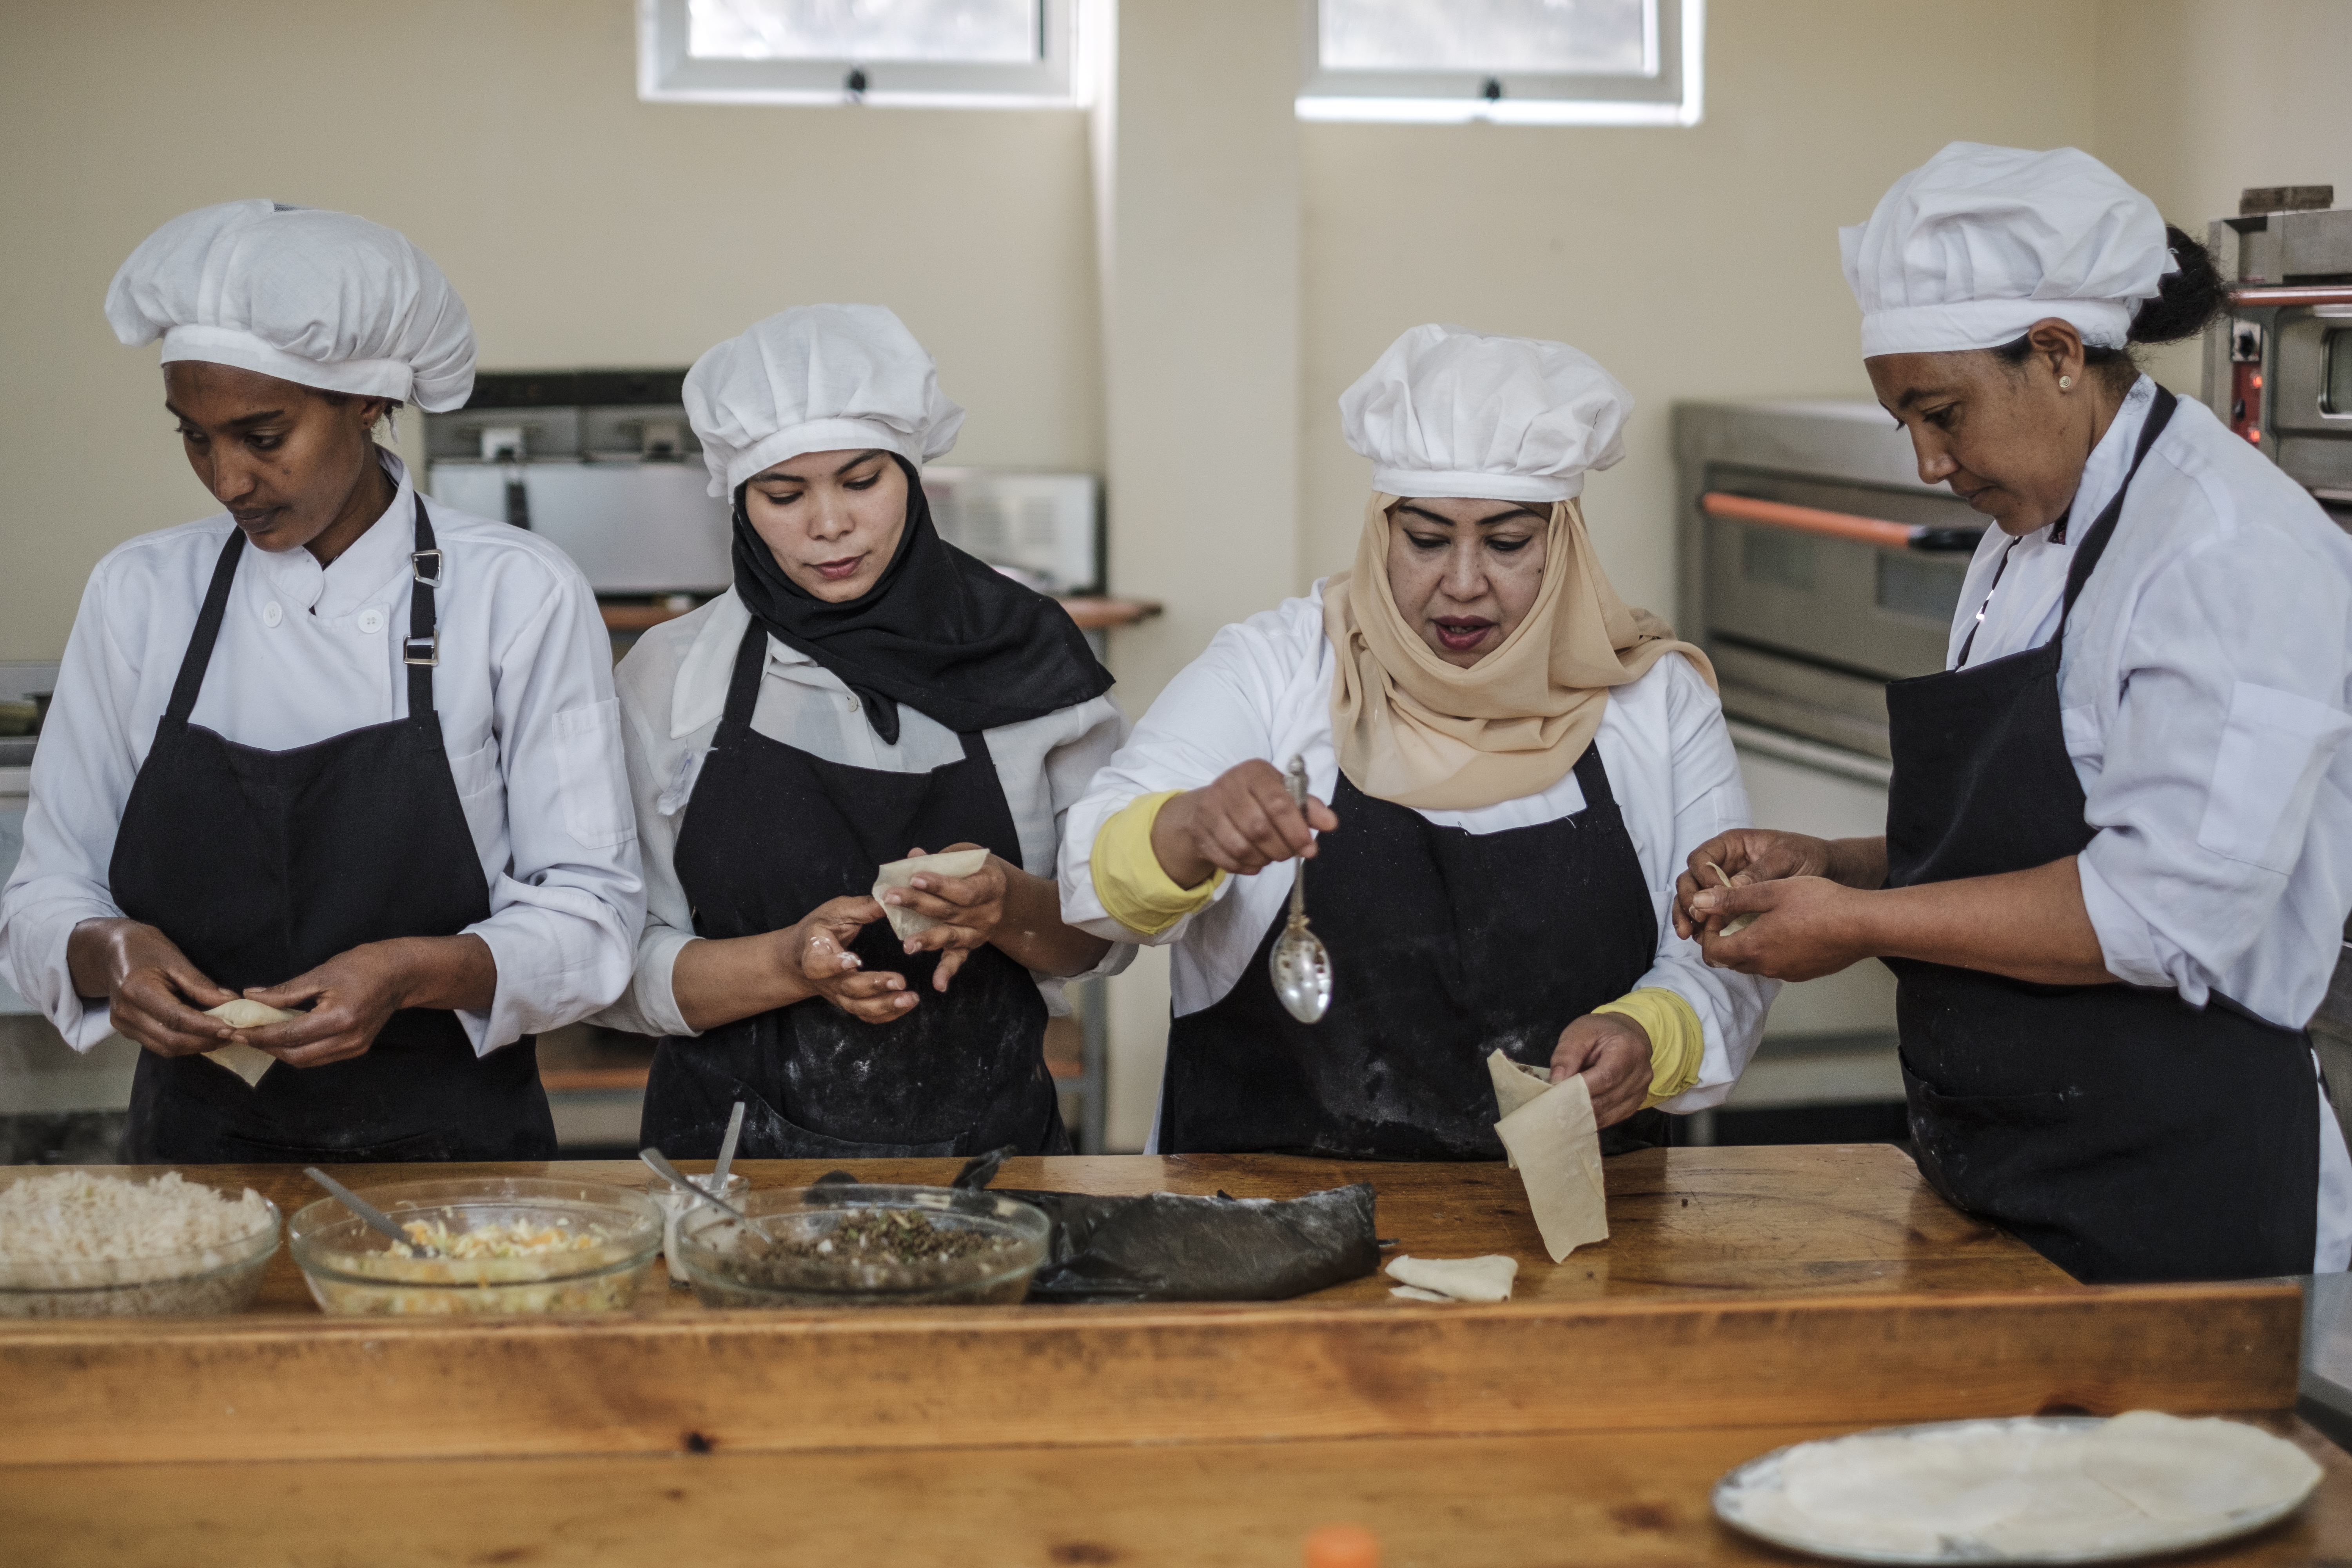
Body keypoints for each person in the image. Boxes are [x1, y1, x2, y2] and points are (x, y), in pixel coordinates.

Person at [1678, 142, 2352, 1283]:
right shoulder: (2023, 542)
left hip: (2179, 1201)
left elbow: (2156, 915)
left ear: (2054, 355)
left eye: (1942, 414)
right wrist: (1841, 866)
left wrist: (1858, 926)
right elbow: (2041, 843)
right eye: (1905, 423)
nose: (1931, 463)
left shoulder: (2226, 555)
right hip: (2012, 1176)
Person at [0, 200, 645, 1162]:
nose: (228, 480)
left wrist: (411, 970)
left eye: (263, 435)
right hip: (192, 1153)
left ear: (369, 401)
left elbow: (593, 913)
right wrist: (110, 953)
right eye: (195, 436)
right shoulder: (140, 592)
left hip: (457, 1157)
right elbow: (50, 886)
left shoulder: (517, 591)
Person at [1058, 325, 1775, 1158]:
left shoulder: (1655, 702)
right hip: (1260, 1231)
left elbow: (1729, 949)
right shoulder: (1276, 670)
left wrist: (1655, 1032)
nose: (1463, 582)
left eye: (1508, 543)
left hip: (1579, 1240)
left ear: (1565, 542)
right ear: (1381, 533)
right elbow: (1090, 879)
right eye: (1426, 540)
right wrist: (1183, 831)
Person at [593, 305, 1127, 1158]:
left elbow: (1100, 935)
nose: (828, 525)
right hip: (732, 1173)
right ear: (739, 500)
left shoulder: (1027, 654)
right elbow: (610, 963)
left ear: (912, 475)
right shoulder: (674, 677)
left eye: (860, 480)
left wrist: (1006, 907)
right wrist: (783, 964)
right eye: (783, 493)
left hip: (996, 1168)